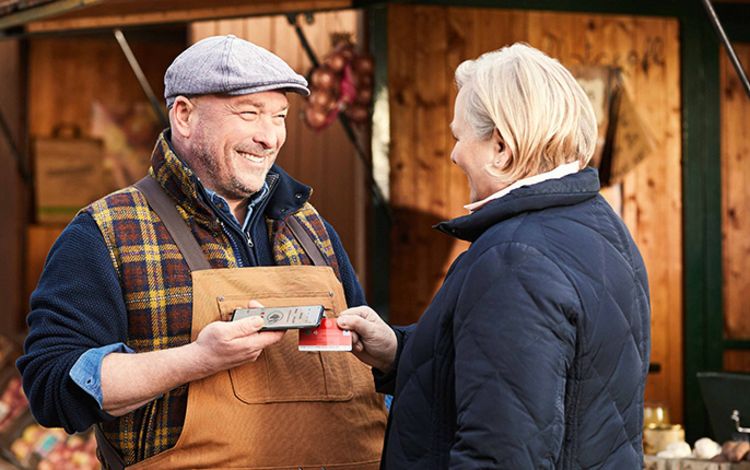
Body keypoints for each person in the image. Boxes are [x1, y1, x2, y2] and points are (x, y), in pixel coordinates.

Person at [18, 35, 387, 469]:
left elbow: (363, 367)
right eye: (249, 113)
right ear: (184, 115)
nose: (269, 137)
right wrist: (198, 359)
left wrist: (389, 350)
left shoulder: (312, 228)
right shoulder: (105, 233)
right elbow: (51, 387)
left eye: (280, 116)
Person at [337, 43, 651, 469]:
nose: (454, 154)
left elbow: (501, 453)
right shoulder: (599, 227)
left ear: (501, 147)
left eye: (459, 136)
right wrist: (397, 351)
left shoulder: (515, 259)